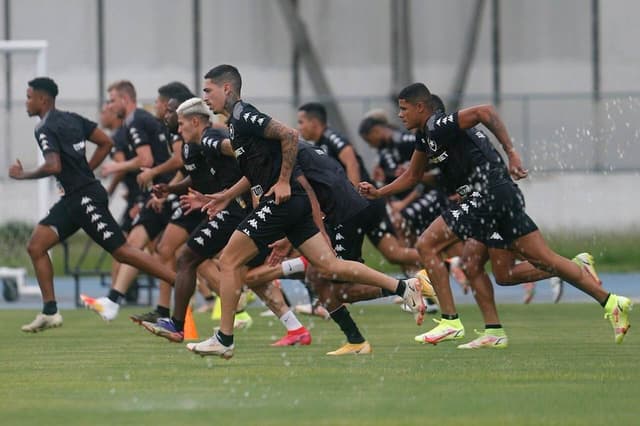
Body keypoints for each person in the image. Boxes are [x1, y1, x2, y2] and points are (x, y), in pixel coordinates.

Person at [359, 82, 632, 347]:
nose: (399, 115)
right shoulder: (425, 136)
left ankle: (450, 321)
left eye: (404, 108)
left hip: (488, 194)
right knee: (498, 270)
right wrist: (380, 193)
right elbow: (413, 175)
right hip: (498, 195)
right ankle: (605, 299)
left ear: (421, 107)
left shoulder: (437, 124)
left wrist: (512, 153)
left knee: (426, 244)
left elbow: (485, 112)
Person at [184, 64, 424, 359]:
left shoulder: (244, 115)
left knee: (230, 260)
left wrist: (283, 181)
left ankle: (224, 338)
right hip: (292, 203)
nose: (205, 97)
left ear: (227, 89)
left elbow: (290, 135)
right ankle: (404, 287)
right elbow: (255, 171)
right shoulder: (234, 125)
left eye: (208, 90)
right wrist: (225, 196)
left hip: (284, 200)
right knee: (331, 266)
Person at [9, 77, 175, 332]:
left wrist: (24, 175)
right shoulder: (73, 118)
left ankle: (178, 280)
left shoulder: (44, 127)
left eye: (29, 96)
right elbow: (105, 142)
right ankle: (50, 311)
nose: (26, 102)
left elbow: (54, 165)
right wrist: (86, 171)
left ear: (43, 99)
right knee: (36, 246)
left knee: (122, 251)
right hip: (73, 199)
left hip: (84, 198)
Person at [81, 80, 181, 322]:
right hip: (159, 192)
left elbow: (144, 158)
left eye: (112, 100)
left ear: (125, 100)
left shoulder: (135, 121)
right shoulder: (136, 122)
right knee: (150, 248)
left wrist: (118, 166)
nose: (109, 105)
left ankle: (230, 300)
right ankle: (119, 302)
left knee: (187, 256)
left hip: (164, 192)